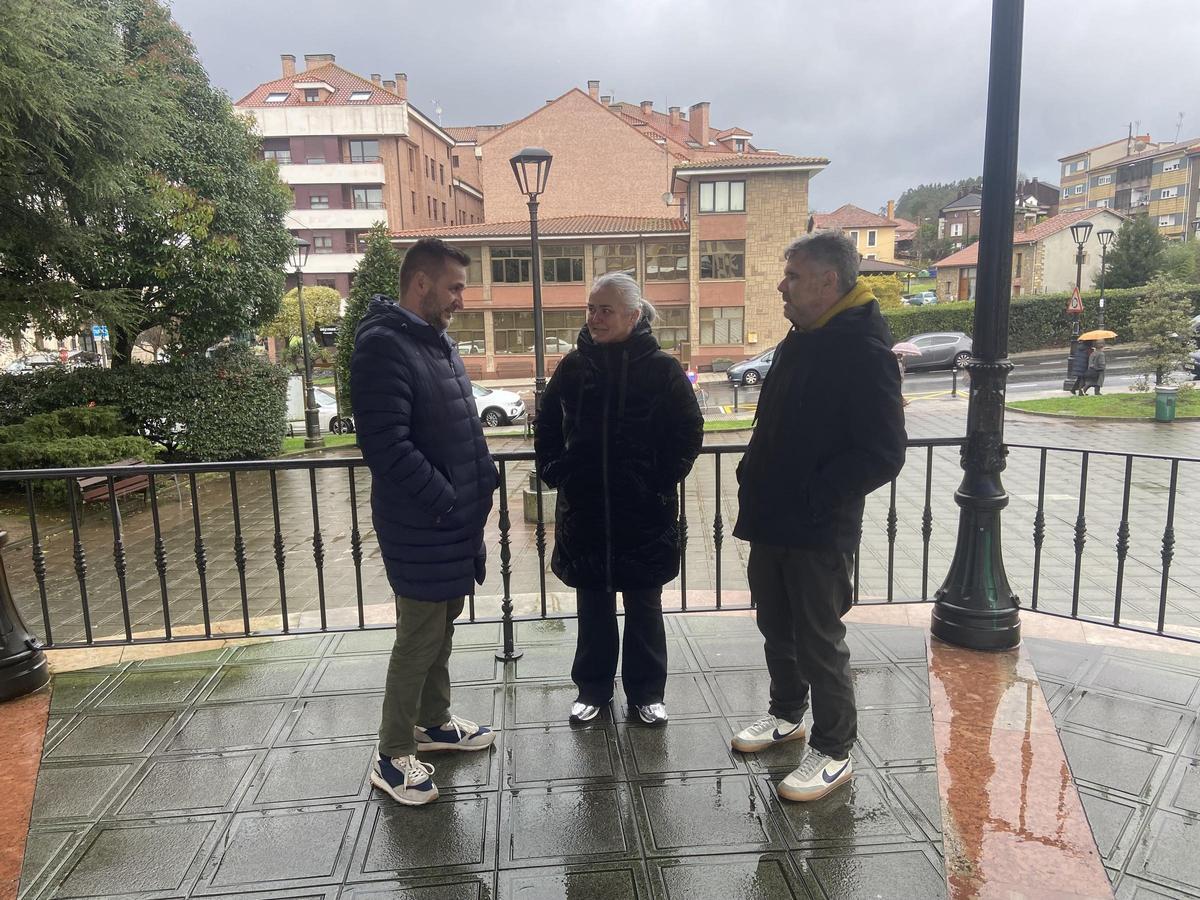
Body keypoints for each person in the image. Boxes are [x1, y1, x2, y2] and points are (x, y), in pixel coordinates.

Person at [731, 231, 906, 802]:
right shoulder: (800, 338)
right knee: (775, 626)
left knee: (819, 641)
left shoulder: (862, 349)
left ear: (829, 281)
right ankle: (787, 715)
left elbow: (883, 452)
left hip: (816, 526)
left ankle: (834, 751)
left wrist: (815, 495)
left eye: (794, 276)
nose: (782, 285)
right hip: (771, 518)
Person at [351, 237, 499, 806]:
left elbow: (463, 427)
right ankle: (391, 757)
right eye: (455, 287)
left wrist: (482, 480)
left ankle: (433, 724)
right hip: (423, 523)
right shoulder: (384, 347)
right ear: (421, 283)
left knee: (441, 629)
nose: (461, 297)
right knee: (417, 637)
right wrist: (445, 499)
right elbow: (385, 446)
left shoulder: (434, 343)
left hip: (451, 522)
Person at [535, 272, 703, 727]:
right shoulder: (573, 366)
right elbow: (547, 424)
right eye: (591, 308)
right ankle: (592, 690)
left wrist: (659, 480)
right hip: (586, 513)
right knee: (593, 606)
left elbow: (689, 432)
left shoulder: (662, 369)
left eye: (604, 309)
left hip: (643, 515)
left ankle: (647, 693)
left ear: (633, 314)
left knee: (645, 607)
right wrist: (557, 470)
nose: (594, 317)